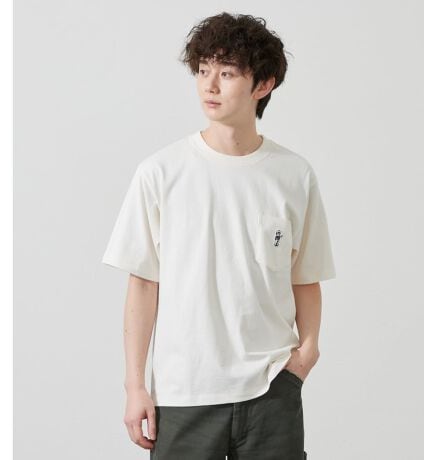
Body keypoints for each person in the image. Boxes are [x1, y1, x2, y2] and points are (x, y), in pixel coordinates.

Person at [102, 11, 336, 460]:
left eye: (226, 73)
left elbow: (306, 277)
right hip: (183, 393)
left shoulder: (294, 175)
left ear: (263, 84)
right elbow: (144, 284)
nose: (209, 85)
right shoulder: (160, 173)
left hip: (271, 390)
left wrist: (305, 356)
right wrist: (135, 386)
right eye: (203, 70)